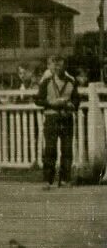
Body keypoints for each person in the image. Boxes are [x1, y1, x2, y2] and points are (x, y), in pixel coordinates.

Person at [34, 55, 80, 188]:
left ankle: (65, 179)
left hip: (66, 118)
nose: (57, 67)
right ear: (51, 67)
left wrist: (72, 105)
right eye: (55, 65)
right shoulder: (46, 81)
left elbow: (77, 99)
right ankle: (48, 180)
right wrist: (50, 102)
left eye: (60, 65)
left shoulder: (72, 81)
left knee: (67, 149)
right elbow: (38, 99)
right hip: (51, 117)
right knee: (50, 149)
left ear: (65, 66)